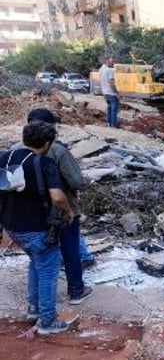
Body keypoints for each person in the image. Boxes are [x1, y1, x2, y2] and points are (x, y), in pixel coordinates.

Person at [0, 121, 75, 334]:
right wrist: (69, 212)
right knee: (48, 271)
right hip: (38, 227)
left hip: (12, 225)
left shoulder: (5, 157)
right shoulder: (44, 163)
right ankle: (47, 320)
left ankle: (33, 309)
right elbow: (58, 197)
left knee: (36, 263)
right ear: (47, 143)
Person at [17, 108, 94, 304]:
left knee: (38, 258)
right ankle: (76, 291)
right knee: (70, 250)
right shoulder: (57, 150)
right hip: (61, 209)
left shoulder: (16, 150)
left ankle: (33, 304)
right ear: (50, 128)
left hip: (31, 213)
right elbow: (76, 181)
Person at [99, 56, 120, 128]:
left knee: (109, 107)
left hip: (105, 92)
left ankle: (108, 123)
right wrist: (117, 93)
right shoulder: (109, 70)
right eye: (112, 61)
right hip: (111, 93)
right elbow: (111, 83)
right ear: (107, 61)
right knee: (114, 108)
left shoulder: (101, 69)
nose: (113, 63)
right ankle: (113, 124)